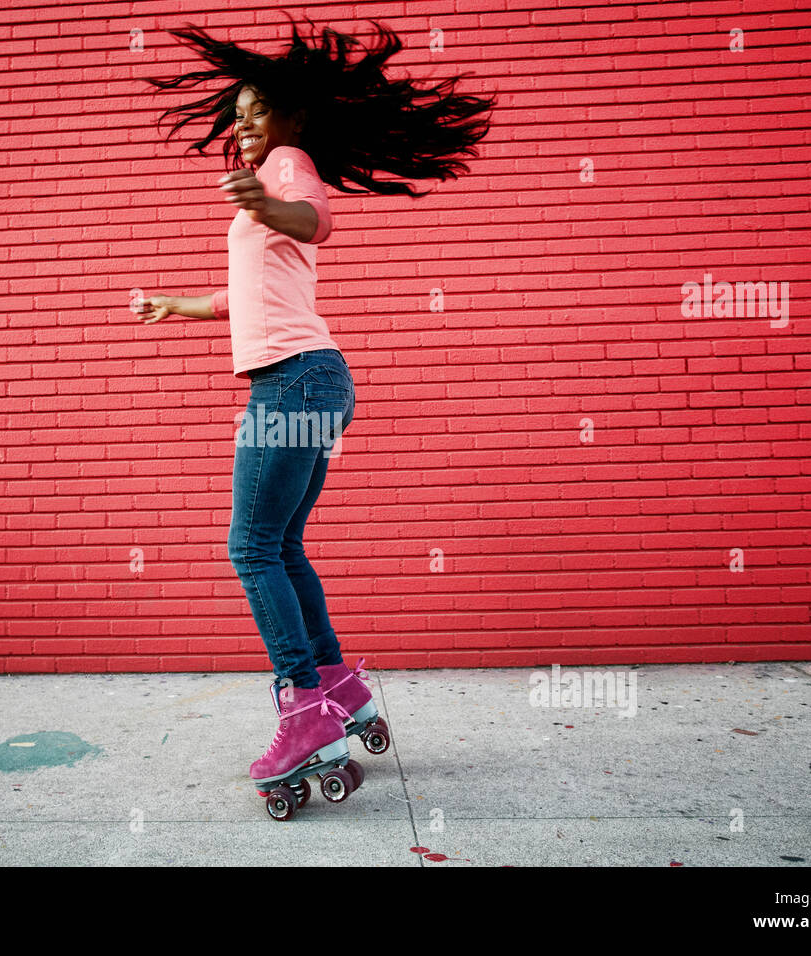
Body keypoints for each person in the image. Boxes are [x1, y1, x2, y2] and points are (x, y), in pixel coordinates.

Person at [134, 14, 493, 798]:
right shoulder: (268, 181)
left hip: (293, 382)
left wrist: (269, 208)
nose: (244, 125)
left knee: (251, 548)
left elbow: (318, 221)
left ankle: (305, 711)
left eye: (257, 110)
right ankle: (338, 688)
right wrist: (175, 304)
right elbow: (244, 296)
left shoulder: (287, 167)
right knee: (283, 546)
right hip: (314, 380)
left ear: (293, 116)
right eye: (238, 115)